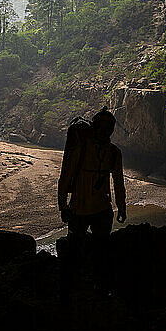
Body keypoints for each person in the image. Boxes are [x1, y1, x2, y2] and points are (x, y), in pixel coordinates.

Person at [57, 107, 126, 296]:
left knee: (98, 251)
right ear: (94, 127)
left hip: (98, 209)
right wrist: (63, 206)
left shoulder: (113, 153)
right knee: (81, 251)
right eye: (101, 127)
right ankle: (78, 288)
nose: (104, 131)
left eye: (107, 128)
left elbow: (119, 183)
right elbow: (65, 177)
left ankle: (92, 288)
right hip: (81, 209)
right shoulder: (84, 149)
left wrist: (121, 207)